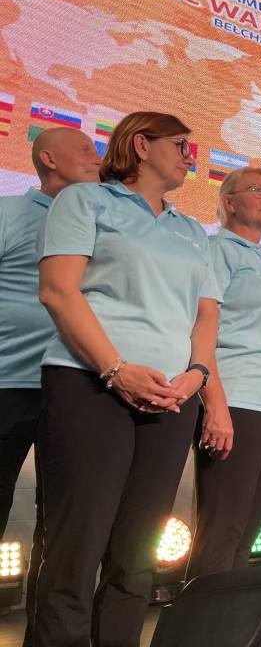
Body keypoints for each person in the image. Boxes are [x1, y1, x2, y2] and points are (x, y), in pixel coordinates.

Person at [33, 112, 221, 646]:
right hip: (90, 385)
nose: (190, 156)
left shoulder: (191, 230)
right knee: (77, 544)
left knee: (138, 554)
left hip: (171, 399)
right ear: (141, 144)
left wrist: (197, 374)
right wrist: (115, 370)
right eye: (181, 144)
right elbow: (58, 290)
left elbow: (206, 313)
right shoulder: (86, 201)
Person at [0, 129, 100, 643]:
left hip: (78, 388)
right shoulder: (11, 214)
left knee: (63, 524)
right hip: (9, 386)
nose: (96, 156)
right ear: (48, 159)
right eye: (84, 149)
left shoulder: (100, 222)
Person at [185, 166, 261, 579]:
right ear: (229, 203)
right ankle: (202, 615)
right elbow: (202, 325)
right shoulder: (218, 249)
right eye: (257, 190)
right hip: (235, 399)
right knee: (223, 528)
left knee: (246, 529)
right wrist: (215, 405)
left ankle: (228, 615)